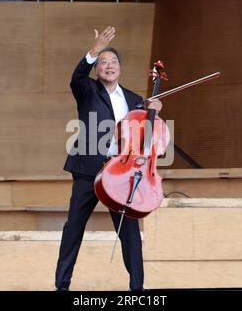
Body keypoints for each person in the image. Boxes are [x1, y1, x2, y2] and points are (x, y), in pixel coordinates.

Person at [55, 26, 162, 291]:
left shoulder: (136, 100)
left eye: (113, 62)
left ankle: (137, 289)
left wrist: (155, 112)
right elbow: (76, 76)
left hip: (122, 174)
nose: (108, 66)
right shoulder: (87, 89)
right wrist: (94, 49)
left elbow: (147, 138)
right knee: (74, 228)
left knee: (130, 233)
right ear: (97, 69)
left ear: (120, 68)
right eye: (103, 62)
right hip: (89, 170)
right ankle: (62, 286)